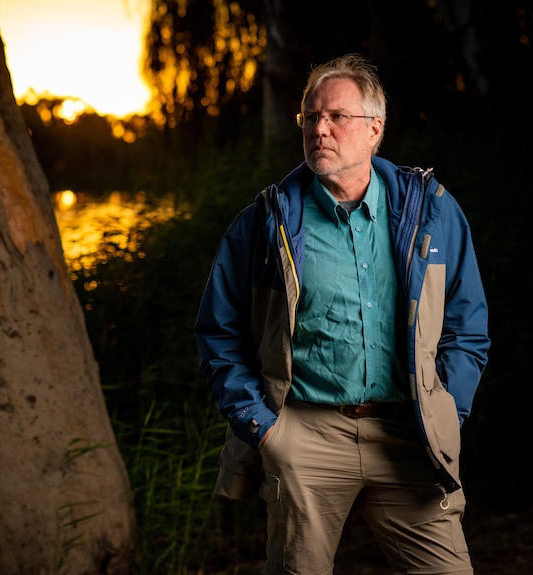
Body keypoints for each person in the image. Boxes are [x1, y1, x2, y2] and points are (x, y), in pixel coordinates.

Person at [194, 53, 490, 574]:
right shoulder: (265, 223)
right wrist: (264, 429)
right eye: (310, 117)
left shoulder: (433, 211)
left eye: (336, 117)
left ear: (375, 129)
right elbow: (218, 332)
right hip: (304, 438)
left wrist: (445, 411)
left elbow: (468, 329)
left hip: (408, 437)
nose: (319, 130)